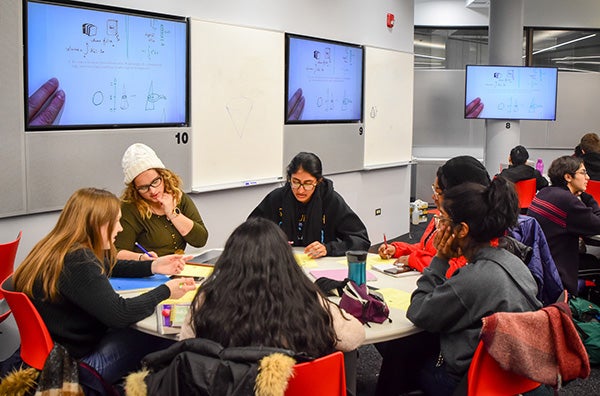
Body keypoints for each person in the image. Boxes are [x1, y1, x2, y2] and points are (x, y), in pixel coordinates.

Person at [12, 188, 196, 385]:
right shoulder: (78, 262)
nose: (120, 229)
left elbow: (109, 266)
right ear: (97, 224)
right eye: (116, 221)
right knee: (166, 338)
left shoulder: (54, 247)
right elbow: (119, 314)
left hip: (48, 352)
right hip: (77, 366)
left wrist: (154, 265)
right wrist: (167, 290)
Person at [179, 217, 365, 392]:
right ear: (286, 260)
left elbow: (187, 345)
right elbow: (355, 336)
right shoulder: (305, 297)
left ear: (229, 260)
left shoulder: (208, 298)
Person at [406, 177, 541, 396]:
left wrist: (440, 258)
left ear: (462, 230)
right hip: (518, 377)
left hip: (470, 383)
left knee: (404, 356)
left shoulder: (474, 279)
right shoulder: (514, 263)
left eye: (443, 219)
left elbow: (418, 311)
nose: (439, 225)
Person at [378, 155, 491, 277]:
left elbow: (454, 269)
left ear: (457, 195)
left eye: (438, 192)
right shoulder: (443, 216)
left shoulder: (472, 229)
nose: (434, 197)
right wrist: (398, 249)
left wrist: (413, 259)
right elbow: (425, 249)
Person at [248, 152, 370, 258]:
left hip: (321, 265)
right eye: (295, 182)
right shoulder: (277, 198)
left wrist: (328, 248)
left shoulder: (331, 200)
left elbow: (361, 240)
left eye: (308, 184)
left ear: (318, 181)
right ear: (289, 179)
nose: (300, 190)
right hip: (283, 263)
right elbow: (250, 231)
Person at [115, 143, 208, 260]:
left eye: (155, 181)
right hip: (149, 271)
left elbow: (200, 240)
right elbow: (116, 253)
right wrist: (140, 258)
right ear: (135, 189)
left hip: (177, 267)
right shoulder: (129, 208)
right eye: (143, 187)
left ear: (163, 176)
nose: (152, 190)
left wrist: (173, 214)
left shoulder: (178, 196)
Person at [527, 155, 600, 295]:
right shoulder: (567, 201)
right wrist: (587, 197)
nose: (588, 177)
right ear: (568, 177)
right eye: (583, 172)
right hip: (558, 273)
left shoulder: (544, 192)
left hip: (540, 266)